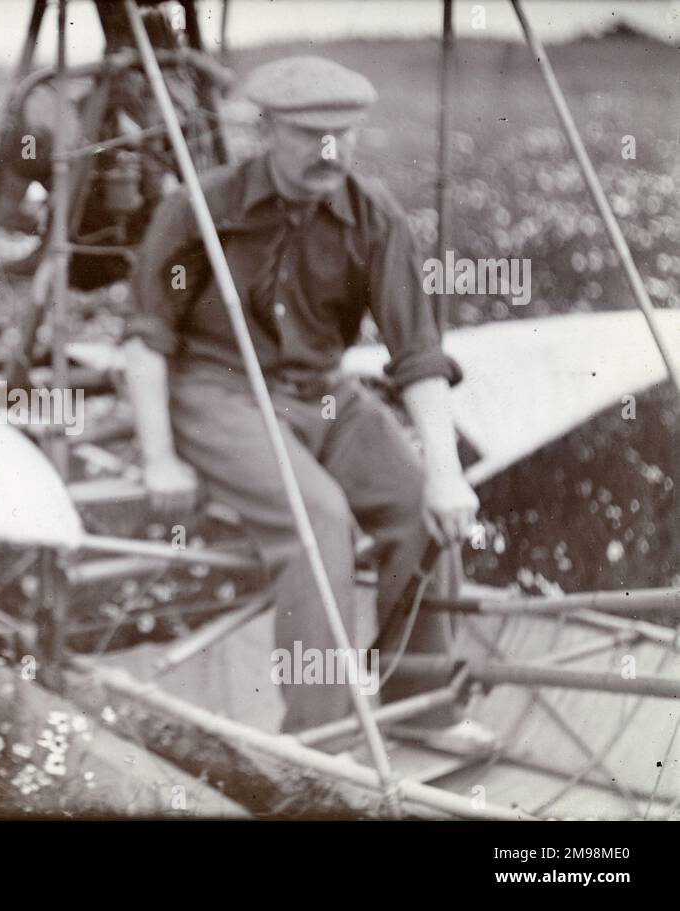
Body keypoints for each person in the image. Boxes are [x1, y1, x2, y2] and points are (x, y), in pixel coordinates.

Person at [122, 55, 495, 751]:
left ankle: (419, 705)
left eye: (346, 134)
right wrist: (158, 459)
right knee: (315, 518)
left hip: (324, 393)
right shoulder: (199, 208)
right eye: (309, 135)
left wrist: (444, 473)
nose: (333, 151)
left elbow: (417, 354)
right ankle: (320, 743)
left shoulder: (372, 215)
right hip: (218, 391)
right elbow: (146, 344)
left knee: (419, 506)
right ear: (267, 132)